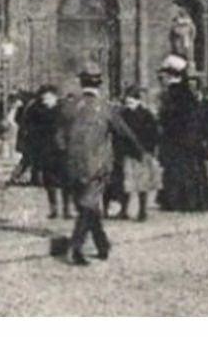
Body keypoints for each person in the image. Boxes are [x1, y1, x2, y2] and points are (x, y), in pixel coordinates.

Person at [55, 64, 142, 266]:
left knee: (88, 204)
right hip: (97, 165)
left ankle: (102, 244)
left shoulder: (68, 106)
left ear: (81, 82)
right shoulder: (106, 108)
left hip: (72, 164)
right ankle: (75, 248)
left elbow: (58, 137)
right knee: (88, 206)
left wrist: (66, 156)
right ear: (100, 83)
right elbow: (125, 133)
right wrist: (140, 152)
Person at [156, 55, 208, 212]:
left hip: (178, 139)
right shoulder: (185, 93)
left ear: (171, 75)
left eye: (164, 75)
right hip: (188, 139)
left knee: (179, 170)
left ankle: (180, 201)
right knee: (188, 169)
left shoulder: (174, 94)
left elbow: (171, 118)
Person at [107, 86, 160, 221]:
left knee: (142, 183)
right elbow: (116, 134)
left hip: (141, 153)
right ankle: (124, 211)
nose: (129, 105)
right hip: (126, 153)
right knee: (126, 184)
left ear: (138, 101)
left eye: (131, 102)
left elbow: (154, 133)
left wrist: (149, 150)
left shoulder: (147, 115)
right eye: (127, 102)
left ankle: (142, 212)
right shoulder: (122, 115)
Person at [17, 85, 68, 218]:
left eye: (48, 98)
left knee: (65, 181)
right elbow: (29, 128)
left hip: (61, 150)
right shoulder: (37, 111)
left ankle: (66, 208)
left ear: (55, 98)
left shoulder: (64, 111)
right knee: (49, 182)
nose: (45, 101)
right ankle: (54, 209)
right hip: (45, 150)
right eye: (43, 98)